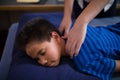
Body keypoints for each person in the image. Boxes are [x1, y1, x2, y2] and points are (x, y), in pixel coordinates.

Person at [16, 18, 120, 80]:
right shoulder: (75, 28)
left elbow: (116, 65)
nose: (42, 62)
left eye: (42, 53)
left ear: (56, 37)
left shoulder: (84, 61)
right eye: (36, 59)